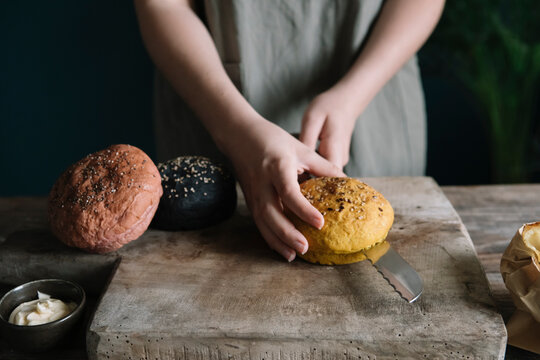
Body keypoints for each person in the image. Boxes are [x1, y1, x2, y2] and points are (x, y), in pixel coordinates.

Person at [134, 0, 445, 262]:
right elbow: (163, 5)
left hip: (374, 87)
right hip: (213, 97)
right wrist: (237, 132)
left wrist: (353, 96)